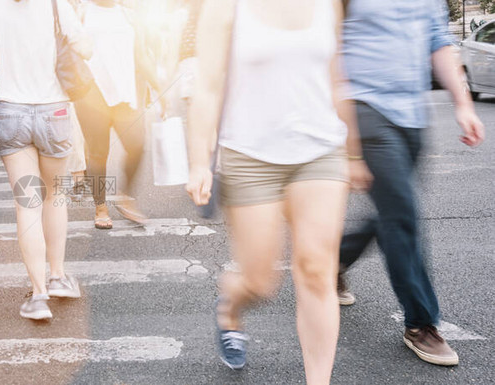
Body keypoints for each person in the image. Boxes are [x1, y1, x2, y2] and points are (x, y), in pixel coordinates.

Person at [187, 1, 371, 383]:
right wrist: (197, 161)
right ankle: (230, 308)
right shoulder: (224, 8)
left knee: (317, 270)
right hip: (249, 155)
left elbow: (337, 77)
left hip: (321, 151)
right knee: (259, 281)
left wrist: (353, 152)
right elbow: (206, 86)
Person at [338, 0, 485, 366]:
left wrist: (463, 104)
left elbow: (438, 42)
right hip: (365, 109)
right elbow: (330, 50)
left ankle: (330, 262)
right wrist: (350, 147)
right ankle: (421, 324)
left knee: (392, 214)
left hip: (412, 115)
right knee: (402, 214)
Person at [0, 0, 92, 320]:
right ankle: (58, 276)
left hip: (11, 111)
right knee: (56, 196)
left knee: (27, 203)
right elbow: (86, 50)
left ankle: (38, 294)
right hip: (55, 110)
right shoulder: (57, 5)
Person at [72, 0, 161, 229]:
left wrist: (161, 88)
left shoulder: (128, 16)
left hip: (126, 95)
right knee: (98, 153)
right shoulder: (81, 13)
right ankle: (100, 207)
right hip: (92, 96)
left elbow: (141, 57)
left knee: (137, 145)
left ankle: (126, 196)